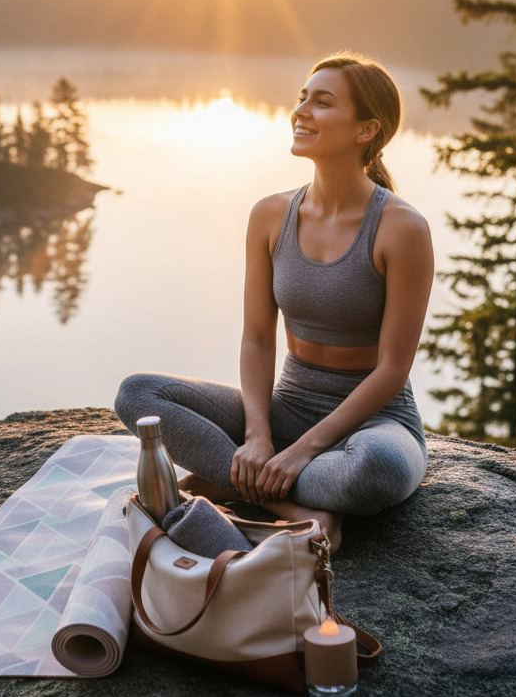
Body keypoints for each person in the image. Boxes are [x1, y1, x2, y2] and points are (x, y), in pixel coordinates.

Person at [114, 51, 434, 552]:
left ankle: (233, 482)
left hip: (375, 423)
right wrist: (260, 437)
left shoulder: (402, 228)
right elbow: (258, 338)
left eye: (322, 102)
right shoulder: (270, 215)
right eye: (302, 97)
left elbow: (393, 370)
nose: (301, 110)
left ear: (366, 129)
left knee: (378, 470)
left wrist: (303, 452)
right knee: (138, 394)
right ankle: (287, 504)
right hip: (287, 409)